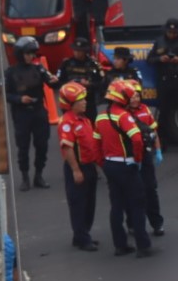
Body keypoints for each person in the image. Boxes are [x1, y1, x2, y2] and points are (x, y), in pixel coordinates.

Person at [95, 81, 156, 258]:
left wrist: (102, 163)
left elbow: (95, 143)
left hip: (110, 165)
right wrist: (137, 159)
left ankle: (120, 246)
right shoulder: (123, 116)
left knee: (116, 206)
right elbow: (137, 139)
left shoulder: (100, 117)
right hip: (126, 165)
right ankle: (143, 246)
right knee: (137, 204)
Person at [5, 36, 56, 191]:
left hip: (39, 111)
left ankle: (38, 175)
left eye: (32, 53)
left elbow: (51, 82)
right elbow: (5, 94)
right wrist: (20, 99)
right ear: (20, 54)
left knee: (42, 145)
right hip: (22, 114)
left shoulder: (39, 69)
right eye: (28, 53)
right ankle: (25, 176)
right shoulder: (10, 72)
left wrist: (55, 80)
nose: (31, 56)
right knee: (23, 147)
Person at [58, 82, 102, 251]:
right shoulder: (67, 122)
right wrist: (76, 170)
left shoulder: (84, 119)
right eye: (81, 100)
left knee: (90, 203)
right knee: (78, 204)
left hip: (89, 166)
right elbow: (67, 148)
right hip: (78, 167)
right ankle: (82, 238)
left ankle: (82, 235)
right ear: (71, 104)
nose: (85, 102)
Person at [147, 18, 178, 153]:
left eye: (174, 32)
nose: (172, 34)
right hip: (164, 81)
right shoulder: (159, 41)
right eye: (170, 32)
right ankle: (162, 142)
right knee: (163, 112)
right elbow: (149, 59)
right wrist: (160, 59)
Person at [126, 79, 165, 237]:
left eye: (137, 95)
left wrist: (158, 150)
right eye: (132, 96)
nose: (135, 99)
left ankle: (157, 224)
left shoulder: (145, 110)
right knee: (132, 193)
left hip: (145, 155)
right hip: (130, 157)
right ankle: (132, 224)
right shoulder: (122, 114)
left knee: (150, 190)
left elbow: (153, 132)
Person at [57, 37, 104, 113]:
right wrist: (69, 84)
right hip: (70, 101)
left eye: (79, 51)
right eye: (75, 50)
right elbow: (58, 82)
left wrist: (89, 84)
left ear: (85, 51)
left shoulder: (93, 64)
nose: (77, 53)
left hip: (88, 100)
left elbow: (101, 83)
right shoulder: (66, 64)